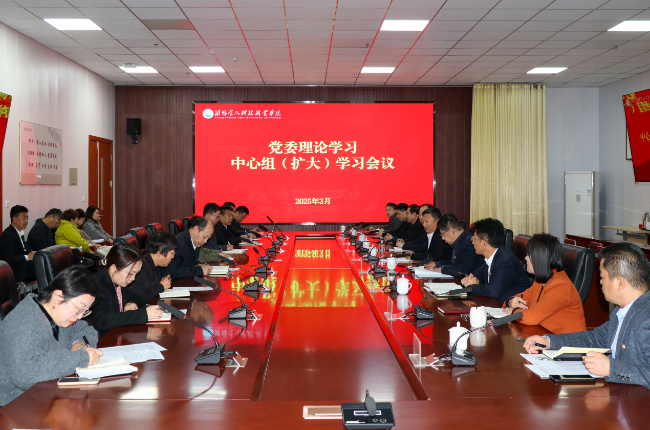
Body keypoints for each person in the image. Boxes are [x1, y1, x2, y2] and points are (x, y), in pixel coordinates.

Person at [524, 242, 650, 389]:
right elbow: (594, 339)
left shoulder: (646, 318)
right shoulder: (621, 311)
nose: (600, 282)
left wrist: (612, 368)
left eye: (602, 277)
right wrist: (549, 341)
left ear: (620, 283)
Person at [0, 266, 103, 406]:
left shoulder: (57, 316)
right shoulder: (24, 321)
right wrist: (80, 357)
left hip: (44, 396)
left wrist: (78, 344)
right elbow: (25, 374)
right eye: (79, 308)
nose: (79, 316)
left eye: (84, 311)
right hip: (14, 406)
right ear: (58, 296)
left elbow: (86, 329)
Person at [498, 233, 585, 333]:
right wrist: (511, 302)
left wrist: (512, 311)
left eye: (528, 255)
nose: (525, 258)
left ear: (540, 258)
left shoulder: (561, 286)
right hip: (544, 335)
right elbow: (521, 299)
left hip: (567, 342)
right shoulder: (540, 281)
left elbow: (531, 318)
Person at [86, 243, 162, 336]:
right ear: (114, 268)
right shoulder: (96, 285)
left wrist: (130, 303)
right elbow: (101, 321)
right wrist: (142, 314)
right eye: (131, 274)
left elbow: (138, 298)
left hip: (116, 335)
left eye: (136, 274)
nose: (133, 278)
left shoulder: (118, 282)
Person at [460, 218, 532, 302]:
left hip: (513, 304)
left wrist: (471, 286)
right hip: (497, 302)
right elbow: (478, 274)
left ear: (484, 243)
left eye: (474, 239)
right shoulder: (492, 255)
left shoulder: (504, 260)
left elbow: (493, 292)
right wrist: (469, 278)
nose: (472, 242)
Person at [423, 212, 483, 277]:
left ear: (452, 231)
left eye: (442, 234)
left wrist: (442, 269)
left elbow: (463, 270)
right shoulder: (460, 241)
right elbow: (454, 262)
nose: (442, 238)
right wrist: (437, 264)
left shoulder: (469, 243)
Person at [161, 217, 214, 282]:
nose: (205, 241)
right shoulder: (180, 244)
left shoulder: (194, 241)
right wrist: (199, 270)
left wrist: (198, 265)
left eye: (208, 239)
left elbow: (187, 263)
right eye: (205, 237)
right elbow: (171, 271)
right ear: (195, 230)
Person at [130, 231, 178, 302]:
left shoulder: (153, 263)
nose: (173, 257)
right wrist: (161, 286)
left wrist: (163, 283)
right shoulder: (142, 268)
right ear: (160, 252)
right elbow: (139, 298)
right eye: (172, 253)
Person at [0, 205, 37, 282]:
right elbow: (9, 259)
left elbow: (26, 250)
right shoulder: (8, 235)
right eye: (24, 218)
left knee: (41, 261)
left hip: (22, 265)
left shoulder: (19, 232)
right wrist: (27, 257)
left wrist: (33, 253)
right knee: (41, 265)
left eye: (27, 218)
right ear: (14, 220)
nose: (26, 221)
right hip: (14, 270)